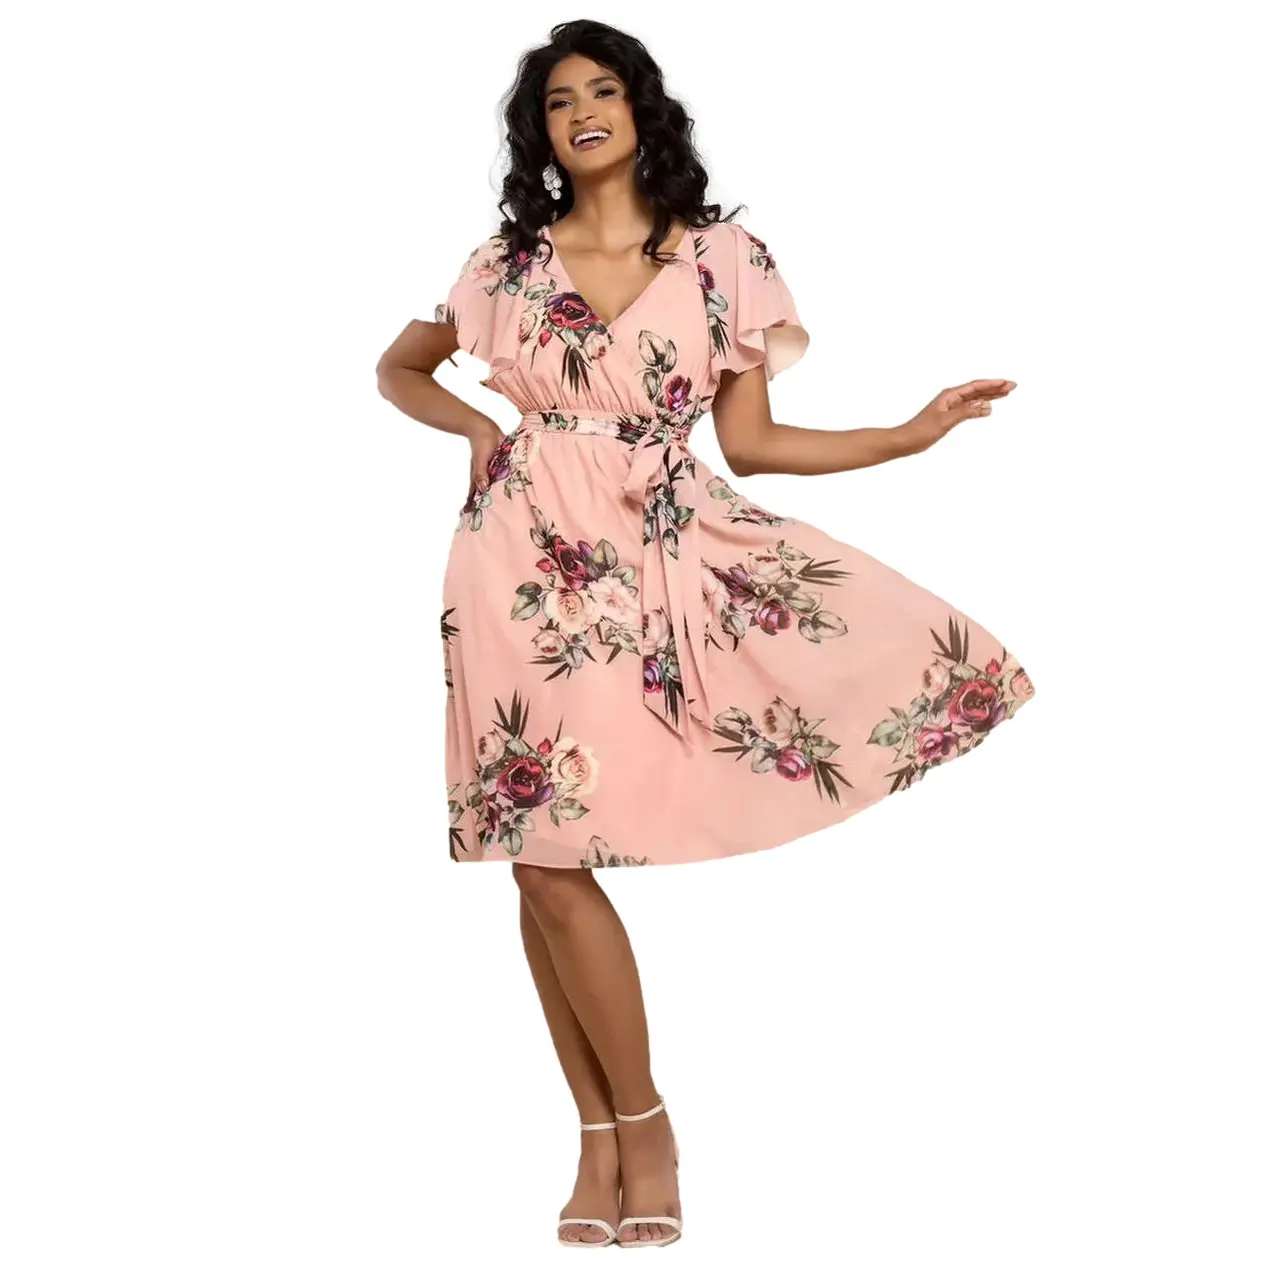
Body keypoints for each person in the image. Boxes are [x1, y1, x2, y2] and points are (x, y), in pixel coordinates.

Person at [376, 18, 1035, 1249]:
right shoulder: (504, 263)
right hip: (519, 562)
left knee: (552, 852)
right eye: (559, 99)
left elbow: (754, 443)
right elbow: (399, 367)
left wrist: (908, 434)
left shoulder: (725, 255)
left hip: (660, 548)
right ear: (540, 132)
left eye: (604, 90)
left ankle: (628, 1130)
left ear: (641, 110)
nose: (583, 111)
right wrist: (476, 429)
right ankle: (618, 1132)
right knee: (538, 852)